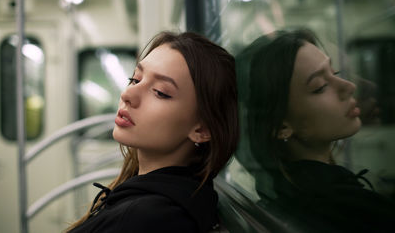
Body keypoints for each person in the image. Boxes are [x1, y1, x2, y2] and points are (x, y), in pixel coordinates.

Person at [66, 31, 239, 233]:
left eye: (160, 92)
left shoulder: (147, 219)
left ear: (201, 129)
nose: (127, 93)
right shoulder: (160, 198)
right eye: (135, 79)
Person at [239, 28, 395, 232]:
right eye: (320, 86)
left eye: (335, 73)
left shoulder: (284, 192)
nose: (348, 86)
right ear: (282, 127)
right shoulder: (348, 211)